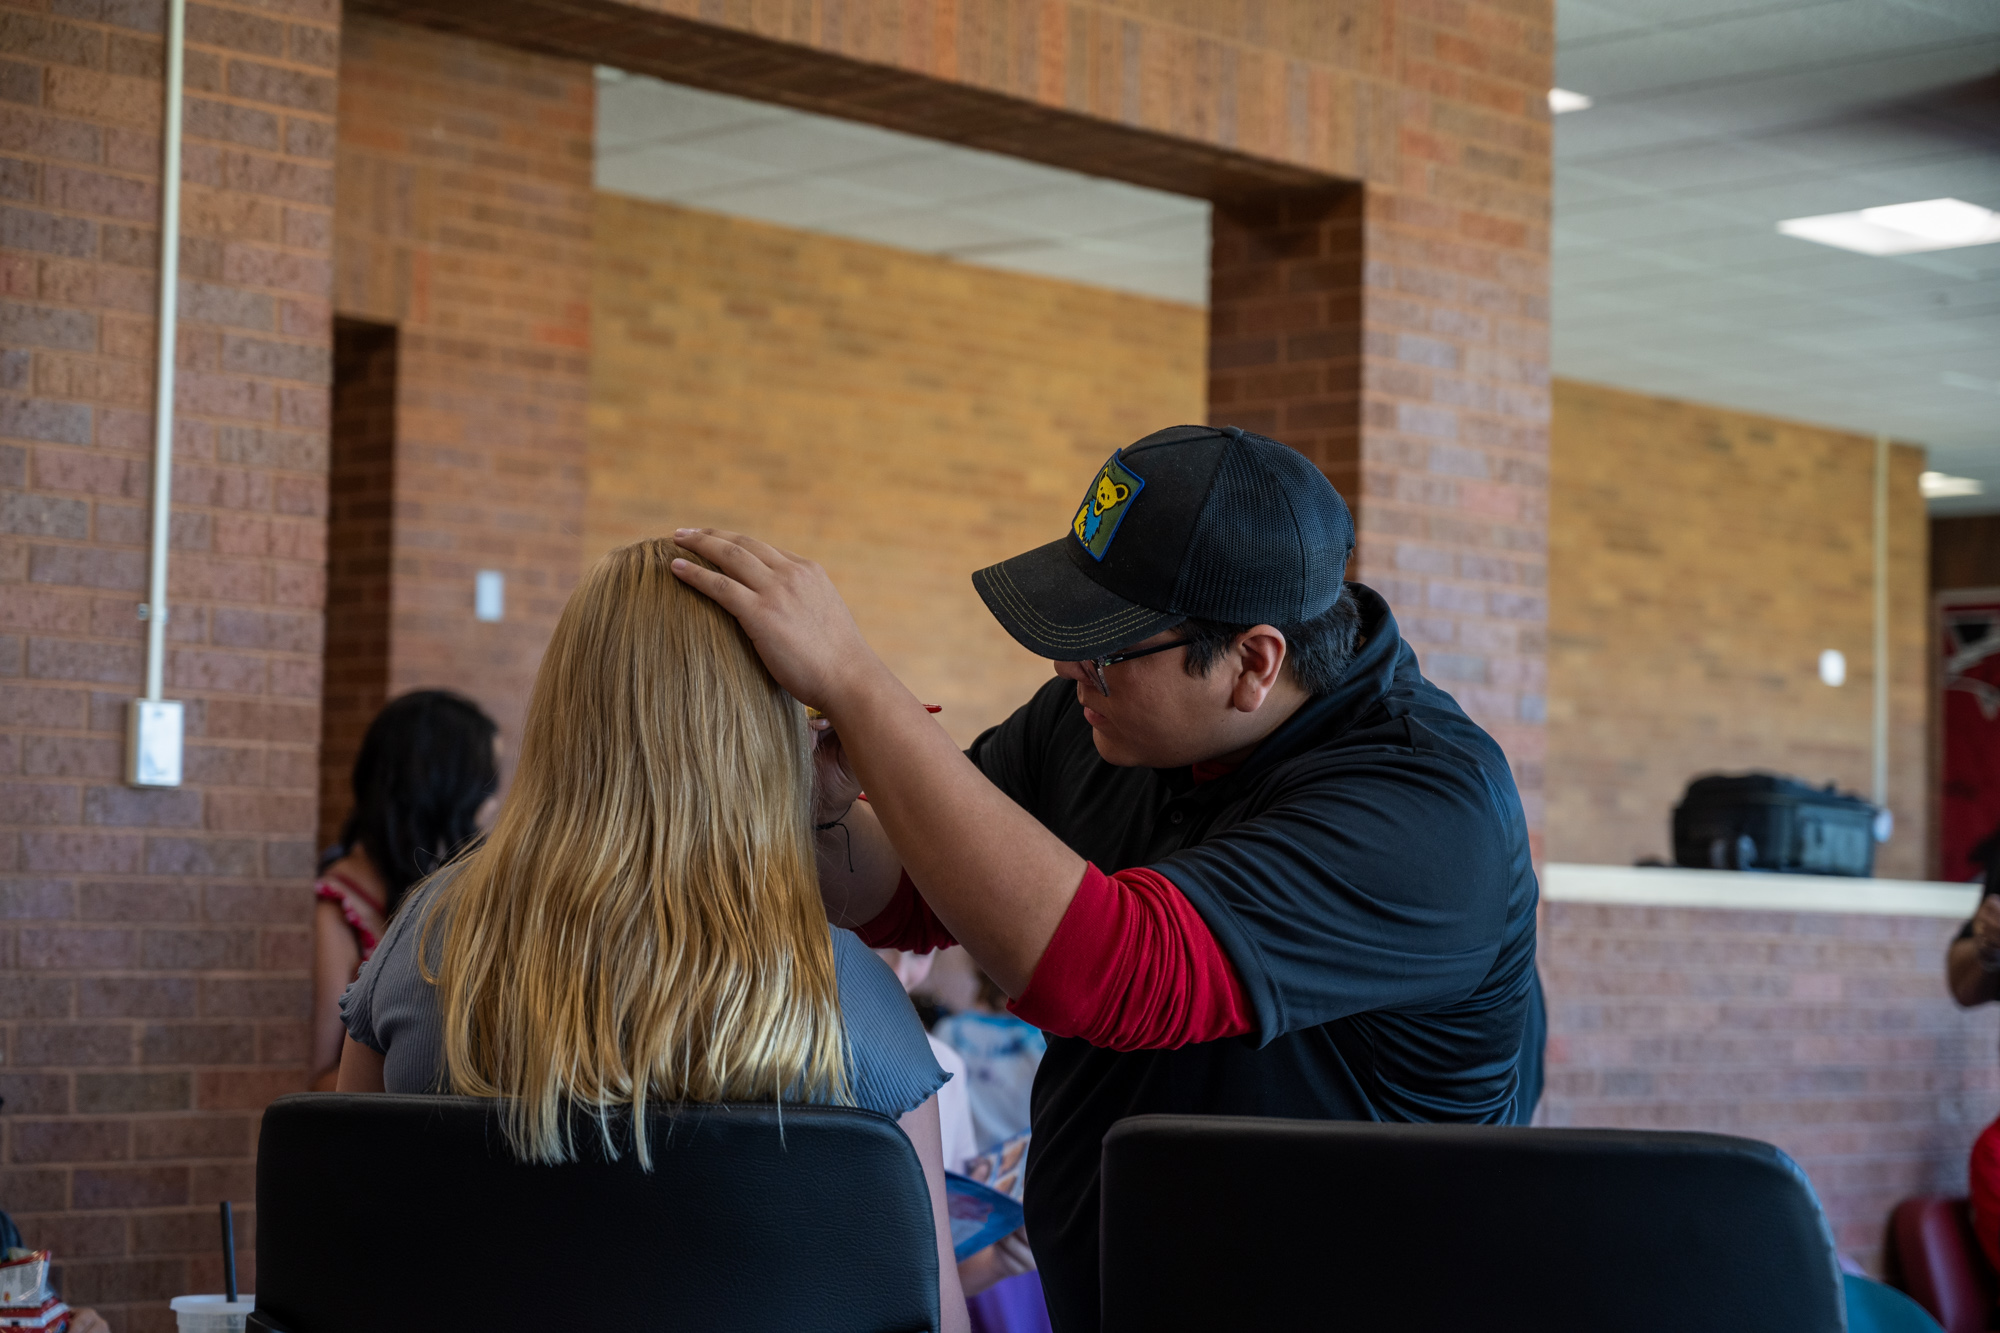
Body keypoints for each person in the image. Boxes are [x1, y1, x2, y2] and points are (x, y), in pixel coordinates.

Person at [671, 424, 1541, 1333]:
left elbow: (1111, 972)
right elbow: (916, 886)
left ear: (1254, 662)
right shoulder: (1098, 723)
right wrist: (791, 801)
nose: (1067, 667)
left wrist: (855, 681)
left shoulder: (1426, 809)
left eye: (1109, 647)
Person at [333, 538, 969, 1331]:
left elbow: (340, 1243)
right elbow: (933, 1316)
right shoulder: (843, 995)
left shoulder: (422, 941)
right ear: (771, 735)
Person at [307, 690, 499, 1090]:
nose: (494, 805)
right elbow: (321, 1074)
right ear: (439, 788)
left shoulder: (441, 890)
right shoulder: (335, 908)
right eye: (487, 784)